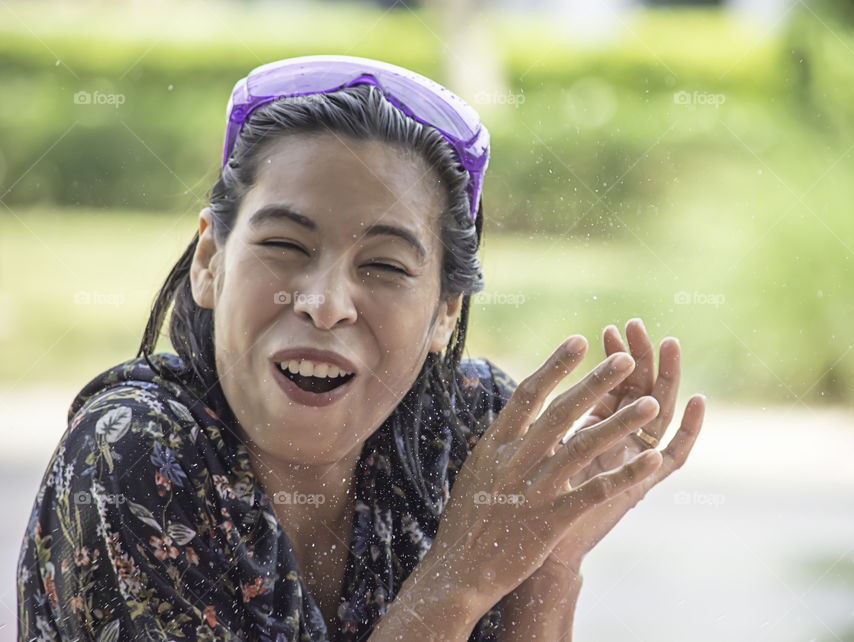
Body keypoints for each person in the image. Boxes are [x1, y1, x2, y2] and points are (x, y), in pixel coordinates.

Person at [17, 55, 706, 641]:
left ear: (445, 313)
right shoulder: (133, 453)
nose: (324, 303)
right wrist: (458, 582)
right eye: (285, 245)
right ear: (209, 260)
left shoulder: (469, 435)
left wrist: (550, 563)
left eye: (384, 266)